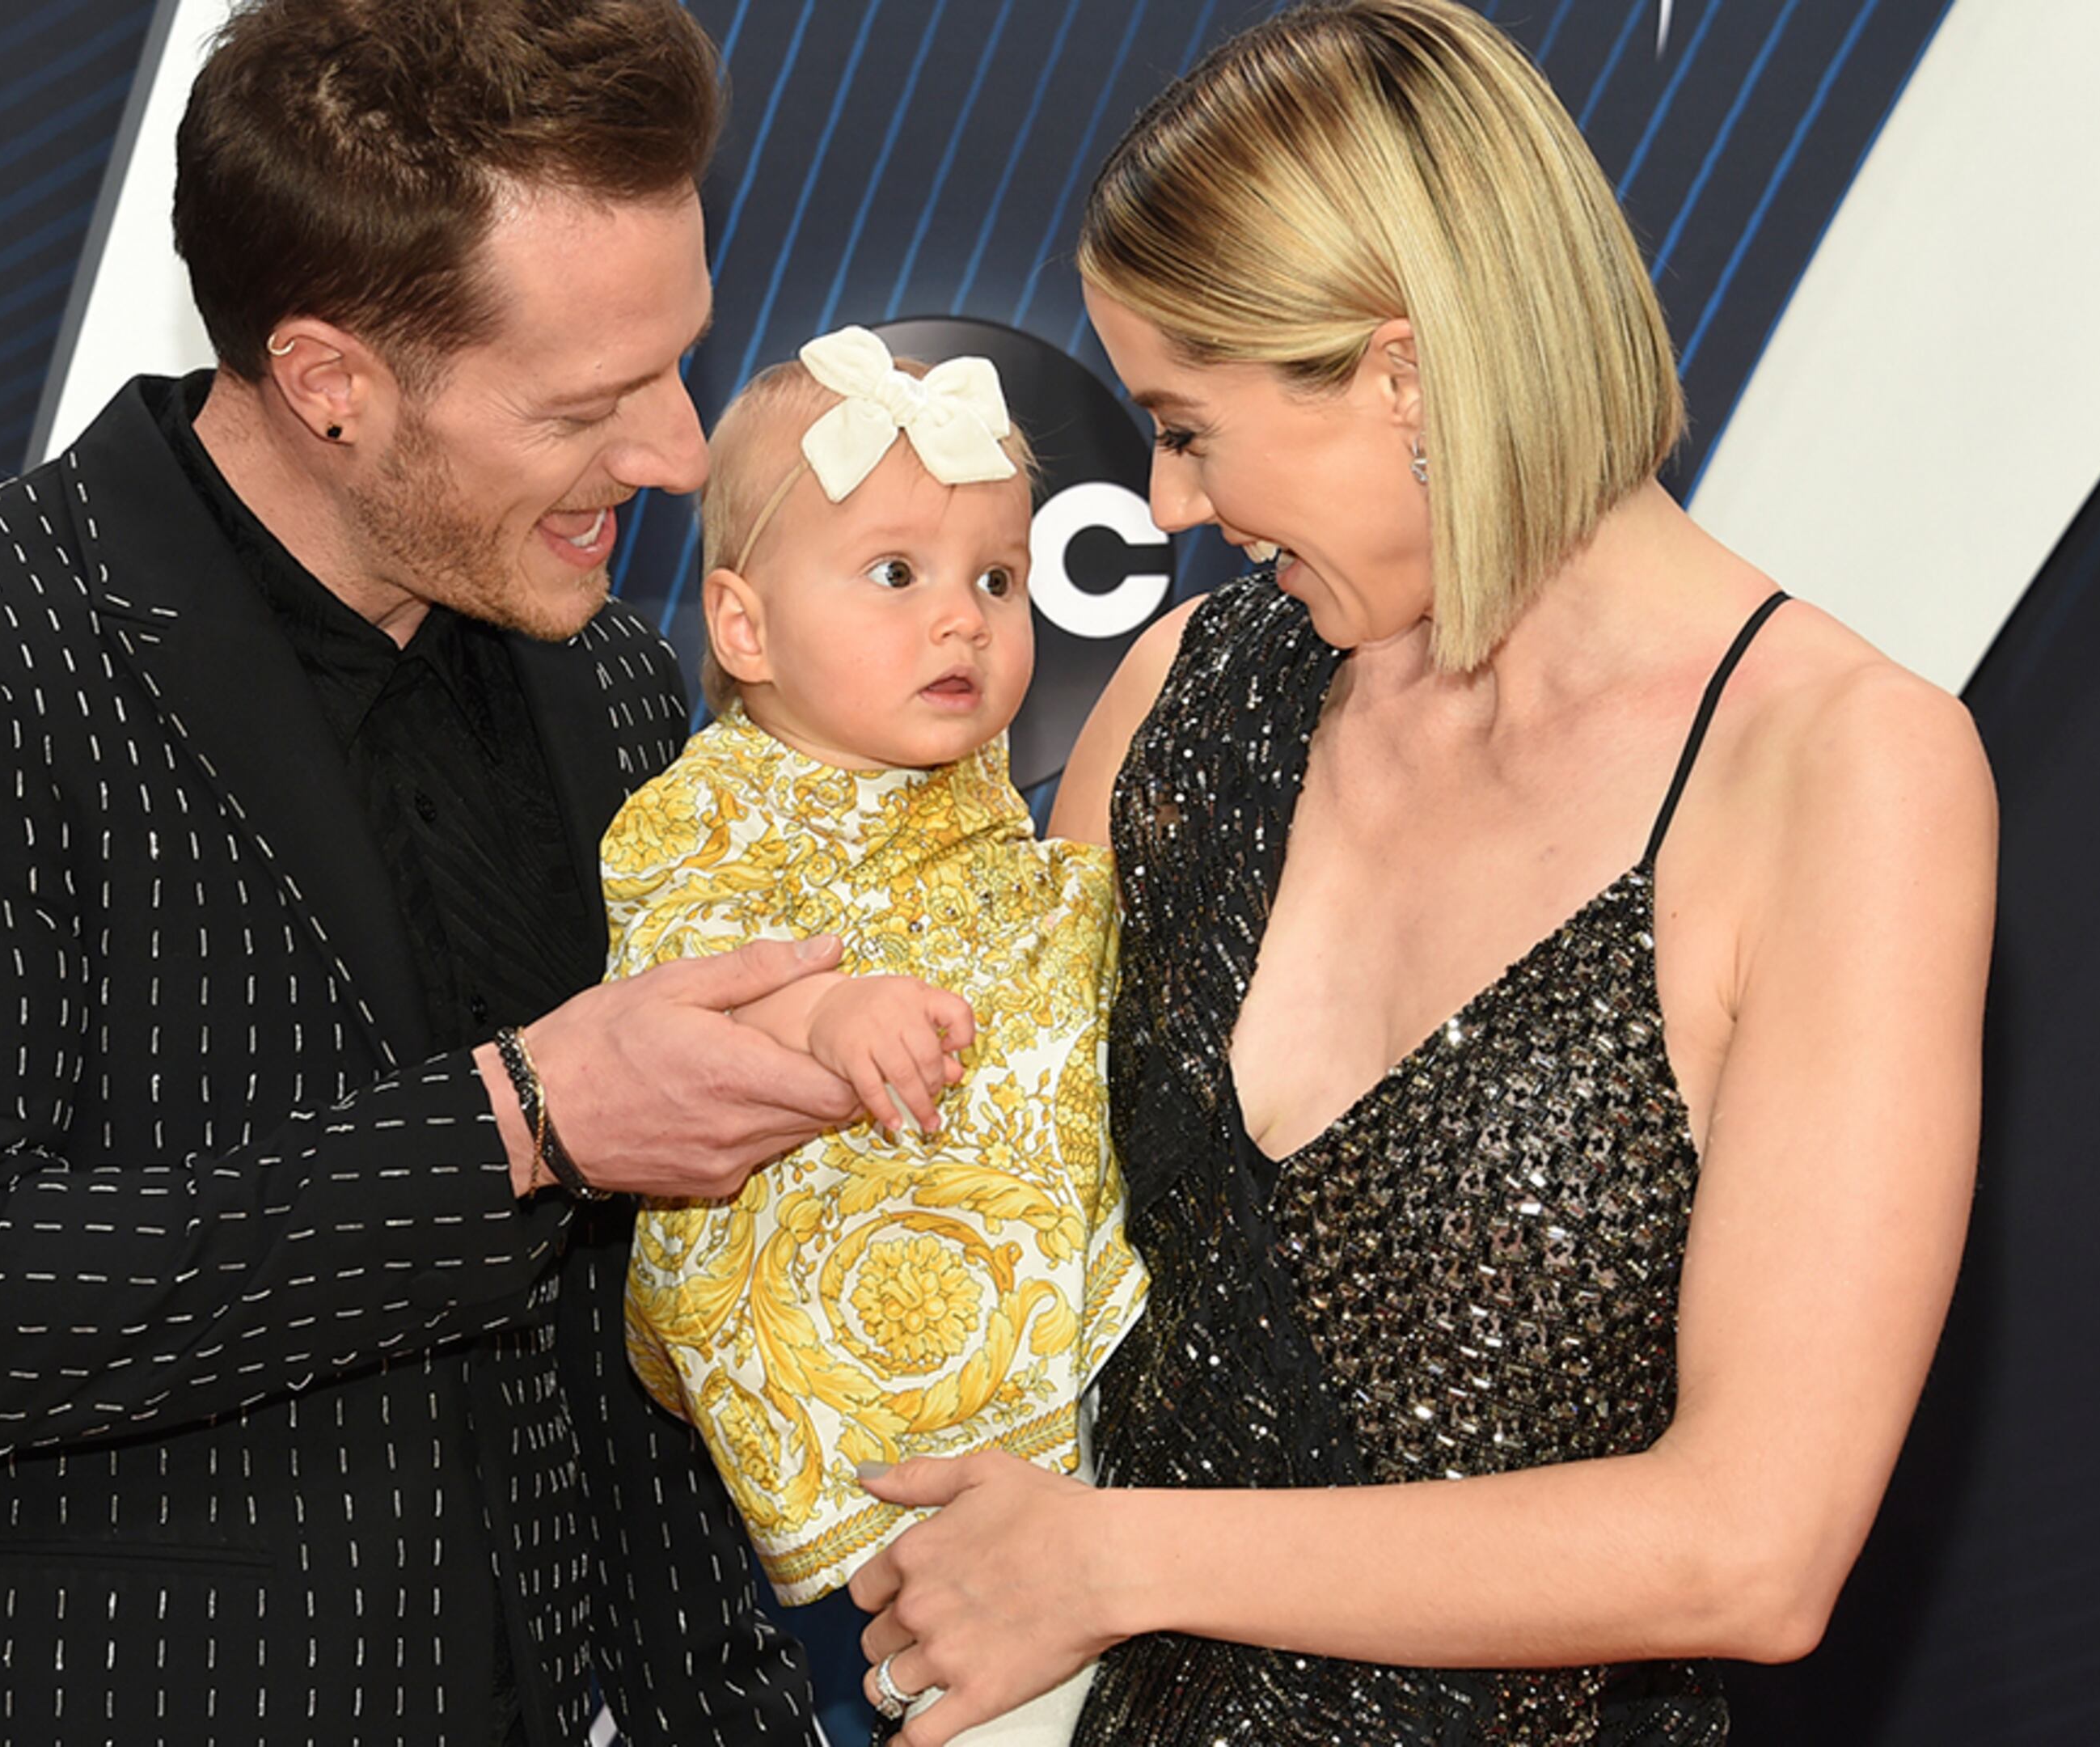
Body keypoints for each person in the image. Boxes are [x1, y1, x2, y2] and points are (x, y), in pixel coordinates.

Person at [841, 4, 1999, 1743]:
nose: (1161, 503)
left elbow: (1754, 1546)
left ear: (1401, 375)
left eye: (1187, 425)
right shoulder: (1181, 699)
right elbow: (991, 1231)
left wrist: (1121, 1561)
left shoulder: (1841, 775)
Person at [0, 2, 855, 1741]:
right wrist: (517, 1125)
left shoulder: (604, 676)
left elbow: (638, 1334)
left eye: (676, 360)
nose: (677, 452)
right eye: (591, 399)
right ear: (331, 382)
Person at [606, 329, 1149, 1743]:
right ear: (742, 627)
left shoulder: (970, 789)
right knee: (985, 1660)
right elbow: (676, 989)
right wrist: (828, 1011)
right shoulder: (706, 807)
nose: (964, 620)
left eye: (998, 580)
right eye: (897, 575)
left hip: (1032, 1309)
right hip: (863, 1351)